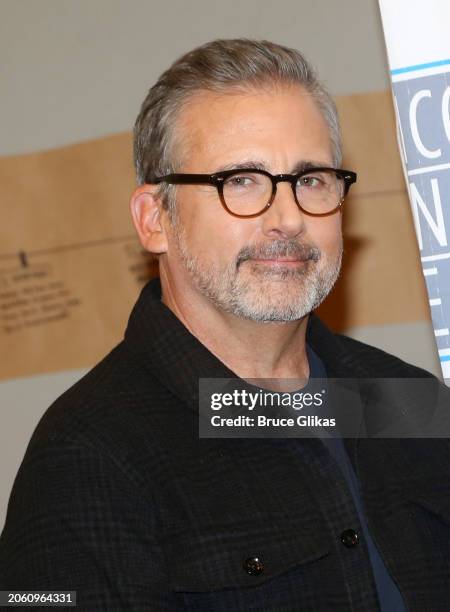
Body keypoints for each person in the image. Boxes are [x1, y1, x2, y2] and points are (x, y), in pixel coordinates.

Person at [1, 38, 450, 611]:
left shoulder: (410, 402)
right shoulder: (85, 457)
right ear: (154, 219)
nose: (287, 218)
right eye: (240, 181)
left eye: (310, 180)